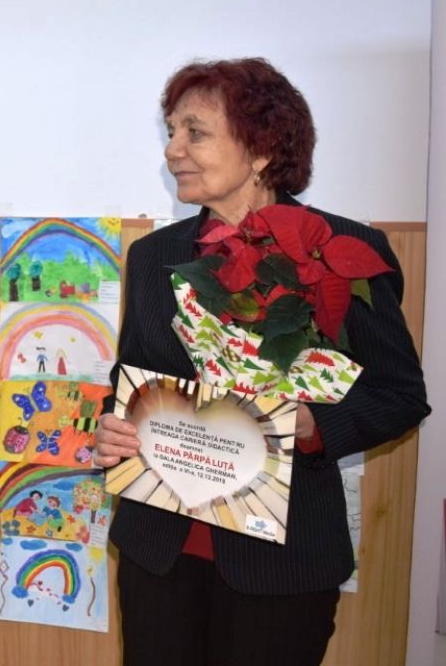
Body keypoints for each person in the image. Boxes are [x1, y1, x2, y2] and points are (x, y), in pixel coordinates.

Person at [94, 58, 430, 666]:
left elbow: (400, 395)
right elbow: (130, 377)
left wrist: (313, 426)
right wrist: (112, 425)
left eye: (195, 132)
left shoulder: (343, 250)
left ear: (262, 150)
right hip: (160, 552)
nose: (173, 150)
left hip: (283, 561)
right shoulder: (154, 256)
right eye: (170, 132)